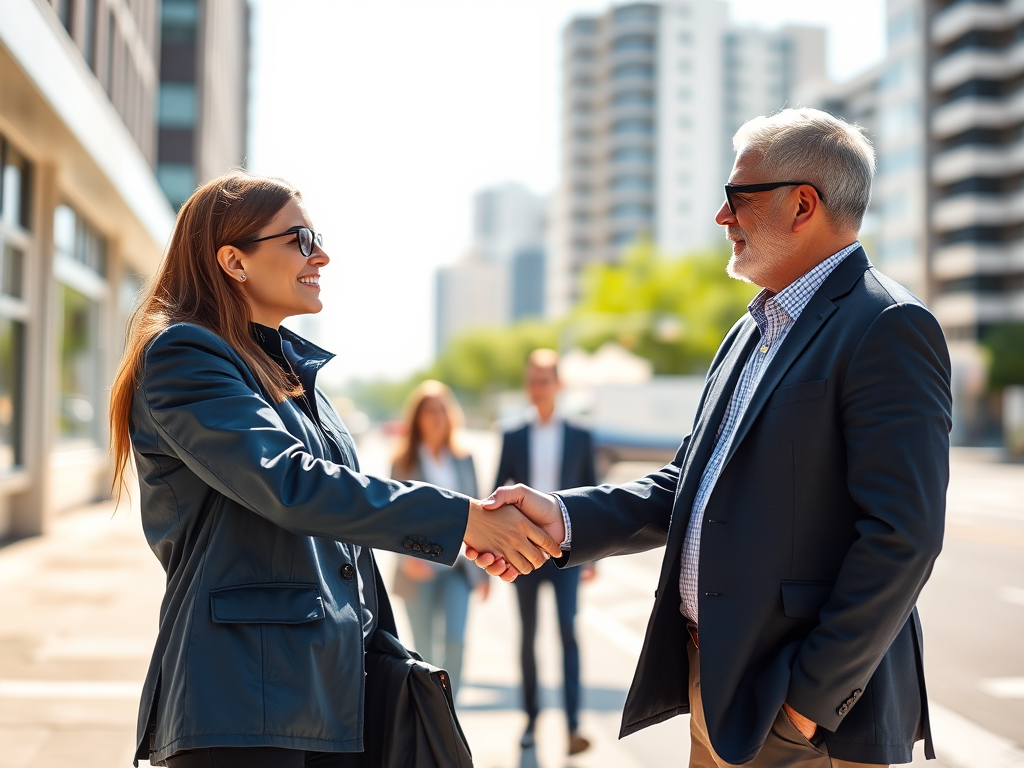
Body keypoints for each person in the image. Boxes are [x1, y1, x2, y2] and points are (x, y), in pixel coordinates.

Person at [471, 109, 952, 768]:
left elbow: (905, 535)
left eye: (736, 198)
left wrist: (807, 707)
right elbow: (686, 486)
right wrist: (560, 516)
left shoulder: (888, 326)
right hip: (723, 695)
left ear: (802, 204)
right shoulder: (748, 331)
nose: (722, 219)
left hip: (804, 722)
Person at [108, 171, 561, 768]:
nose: (321, 254)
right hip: (242, 704)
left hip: (334, 693)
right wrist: (462, 520)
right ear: (233, 261)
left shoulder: (293, 374)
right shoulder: (185, 354)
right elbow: (292, 485)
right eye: (299, 239)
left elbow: (339, 531)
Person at [494, 349, 597, 756]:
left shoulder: (581, 434)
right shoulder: (513, 434)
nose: (539, 386)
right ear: (528, 384)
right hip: (522, 551)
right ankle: (531, 720)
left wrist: (593, 555)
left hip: (567, 552)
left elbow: (593, 495)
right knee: (528, 637)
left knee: (569, 634)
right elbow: (496, 492)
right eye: (533, 379)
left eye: (545, 378)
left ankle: (573, 725)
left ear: (558, 383)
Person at [390, 379, 488, 695]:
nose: (436, 417)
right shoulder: (403, 461)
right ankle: (429, 719)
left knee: (456, 642)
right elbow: (392, 518)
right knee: (423, 651)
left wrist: (485, 570)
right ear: (417, 417)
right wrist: (407, 559)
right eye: (428, 410)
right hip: (418, 569)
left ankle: (450, 715)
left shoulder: (464, 459)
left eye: (441, 409)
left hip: (458, 568)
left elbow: (481, 516)